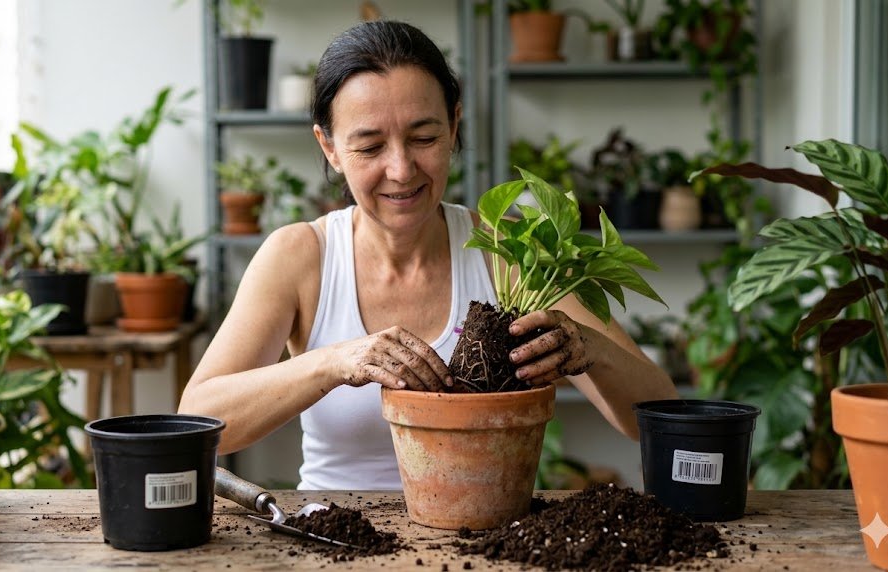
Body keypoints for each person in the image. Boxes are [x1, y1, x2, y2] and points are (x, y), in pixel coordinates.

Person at [179, 20, 677, 490]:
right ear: (329, 147)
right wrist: (333, 362)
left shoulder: (508, 249)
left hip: (486, 532)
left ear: (455, 124)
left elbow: (657, 418)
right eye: (370, 146)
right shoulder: (302, 256)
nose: (401, 169)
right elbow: (197, 421)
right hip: (336, 533)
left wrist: (590, 349)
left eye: (424, 138)